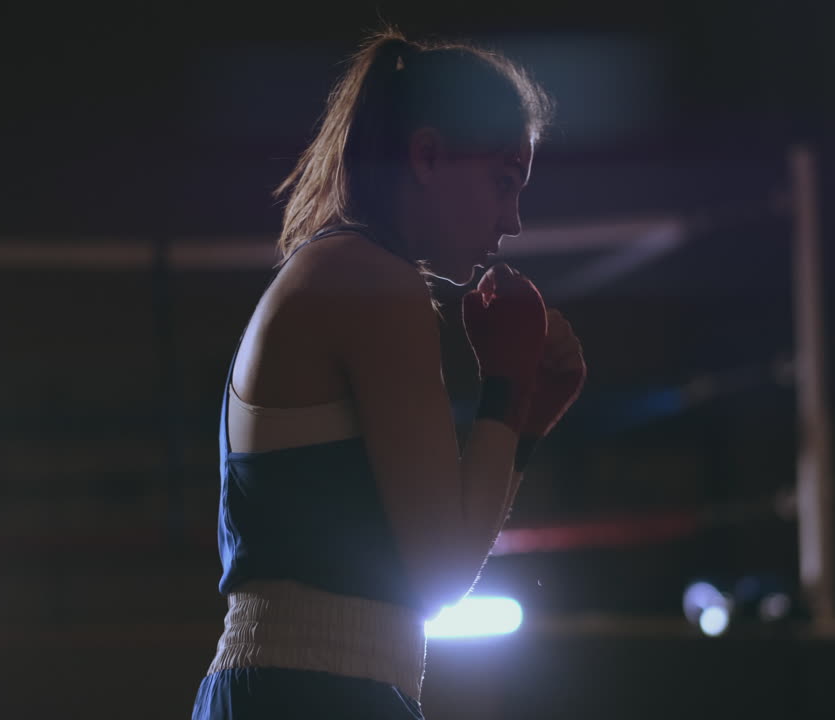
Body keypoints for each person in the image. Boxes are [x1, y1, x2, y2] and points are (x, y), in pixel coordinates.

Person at [191, 27, 587, 719]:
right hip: (311, 691)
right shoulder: (373, 283)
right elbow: (441, 578)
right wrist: (503, 388)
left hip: (305, 687)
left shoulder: (342, 270)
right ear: (427, 155)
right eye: (502, 181)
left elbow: (441, 564)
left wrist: (522, 421)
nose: (515, 220)